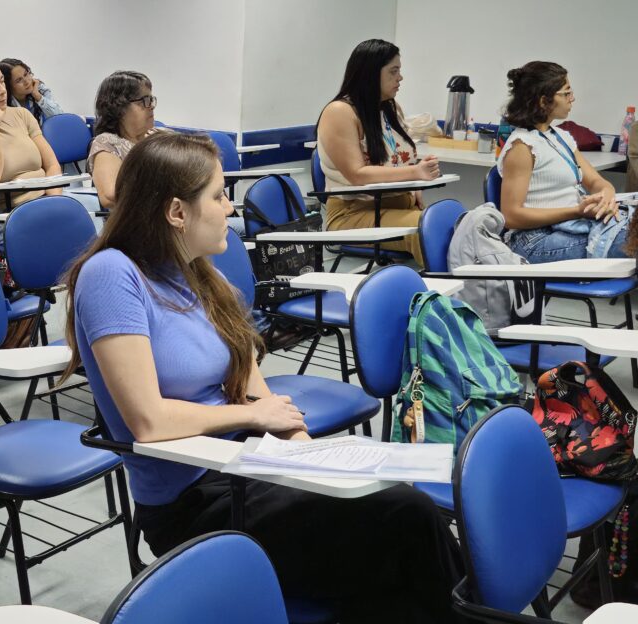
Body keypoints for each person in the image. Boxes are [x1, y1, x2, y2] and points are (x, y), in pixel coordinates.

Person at [61, 132, 461, 623]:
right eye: (218, 195)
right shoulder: (112, 274)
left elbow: (253, 384)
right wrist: (253, 416)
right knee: (403, 520)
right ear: (176, 212)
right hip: (194, 502)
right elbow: (147, 421)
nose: (230, 208)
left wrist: (305, 451)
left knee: (396, 510)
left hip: (248, 466)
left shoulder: (202, 275)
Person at [315, 39, 440, 265]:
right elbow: (357, 174)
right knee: (430, 230)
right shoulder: (340, 112)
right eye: (393, 71)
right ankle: (444, 295)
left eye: (399, 71)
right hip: (352, 214)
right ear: (370, 74)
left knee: (453, 222)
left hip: (397, 205)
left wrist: (416, 186)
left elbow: (397, 160)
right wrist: (415, 174)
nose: (400, 78)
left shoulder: (390, 107)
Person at [499, 61, 628, 261]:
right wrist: (576, 211)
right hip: (533, 241)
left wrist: (607, 197)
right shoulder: (522, 147)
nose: (572, 98)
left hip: (568, 228)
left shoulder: (560, 136)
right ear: (544, 101)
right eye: (566, 93)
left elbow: (596, 182)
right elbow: (511, 215)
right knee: (631, 239)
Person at [0, 56, 63, 221]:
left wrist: (54, 202)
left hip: (44, 202)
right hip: (5, 217)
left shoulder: (22, 115)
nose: (2, 90)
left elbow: (52, 165)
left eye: (2, 82)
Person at [88, 70, 158, 209]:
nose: (151, 106)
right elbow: (110, 195)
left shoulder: (157, 136)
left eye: (151, 99)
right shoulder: (108, 143)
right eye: (144, 101)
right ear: (119, 107)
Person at [0, 58, 67, 123]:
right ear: (8, 86)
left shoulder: (40, 88)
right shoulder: (3, 102)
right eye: (19, 80)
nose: (26, 81)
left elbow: (61, 118)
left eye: (26, 74)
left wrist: (38, 97)